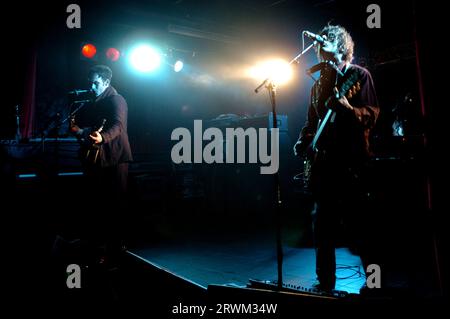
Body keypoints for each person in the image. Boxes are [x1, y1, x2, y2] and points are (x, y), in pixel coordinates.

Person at [294, 25, 380, 291]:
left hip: (352, 162)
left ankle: (376, 283)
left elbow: (371, 115)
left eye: (330, 38)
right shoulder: (319, 84)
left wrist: (348, 110)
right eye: (322, 39)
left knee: (361, 225)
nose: (322, 41)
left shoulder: (358, 76)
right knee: (322, 226)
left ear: (341, 46)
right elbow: (312, 122)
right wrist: (303, 140)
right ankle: (325, 283)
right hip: (324, 165)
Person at [69, 64, 132, 265]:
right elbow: (90, 129)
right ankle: (100, 244)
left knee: (115, 202)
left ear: (106, 81)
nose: (91, 87)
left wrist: (102, 137)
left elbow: (118, 126)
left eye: (95, 83)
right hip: (99, 158)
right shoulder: (94, 101)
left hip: (115, 158)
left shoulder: (116, 99)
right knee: (98, 202)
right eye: (90, 83)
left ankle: (117, 245)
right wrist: (79, 131)